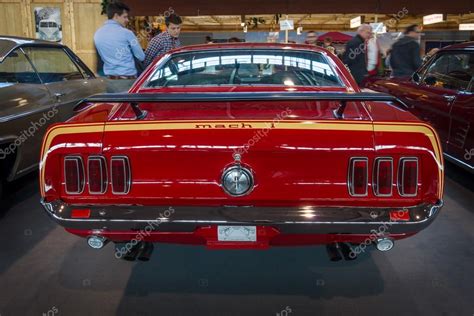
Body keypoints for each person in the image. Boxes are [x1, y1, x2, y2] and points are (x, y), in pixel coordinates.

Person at [94, 1, 145, 92]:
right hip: (128, 82)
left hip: (109, 82)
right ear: (116, 16)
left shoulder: (97, 34)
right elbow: (141, 56)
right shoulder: (127, 33)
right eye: (125, 17)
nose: (127, 20)